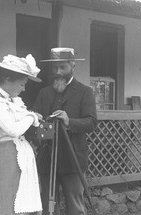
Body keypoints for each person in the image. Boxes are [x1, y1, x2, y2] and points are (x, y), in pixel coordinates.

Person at [0, 54, 43, 215]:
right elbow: (14, 129)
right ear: (8, 79)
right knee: (6, 200)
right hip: (6, 156)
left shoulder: (12, 101)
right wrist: (31, 116)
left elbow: (20, 122)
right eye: (22, 84)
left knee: (20, 197)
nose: (23, 89)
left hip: (17, 154)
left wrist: (29, 116)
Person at [33, 47, 97, 215]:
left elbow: (91, 122)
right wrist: (41, 125)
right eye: (55, 68)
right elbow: (36, 123)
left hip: (73, 157)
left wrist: (69, 121)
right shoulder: (44, 93)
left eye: (63, 67)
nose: (58, 72)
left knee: (75, 206)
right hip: (47, 158)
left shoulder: (85, 92)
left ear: (72, 65)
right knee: (48, 206)